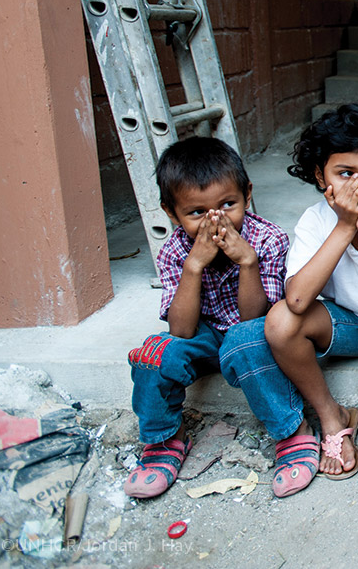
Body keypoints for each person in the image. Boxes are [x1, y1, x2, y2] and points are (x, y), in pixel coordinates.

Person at [220, 104, 358, 495]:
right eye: (346, 173)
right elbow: (297, 299)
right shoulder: (315, 220)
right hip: (350, 323)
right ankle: (333, 417)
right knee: (280, 321)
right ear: (319, 176)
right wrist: (344, 226)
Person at [125, 136, 289, 499]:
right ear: (171, 212)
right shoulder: (174, 251)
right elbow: (180, 331)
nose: (215, 220)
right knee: (155, 353)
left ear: (247, 194)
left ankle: (290, 430)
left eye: (228, 204)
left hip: (252, 340)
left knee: (245, 339)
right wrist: (194, 265)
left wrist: (247, 261)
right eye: (196, 212)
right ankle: (164, 439)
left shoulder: (268, 240)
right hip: (203, 337)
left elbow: (253, 320)